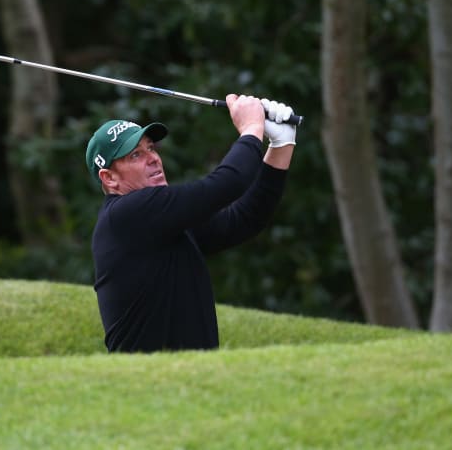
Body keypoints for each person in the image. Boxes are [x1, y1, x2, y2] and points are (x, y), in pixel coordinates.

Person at [84, 94, 296, 353]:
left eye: (151, 148)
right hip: (147, 385)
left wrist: (282, 143)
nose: (153, 158)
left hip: (190, 380)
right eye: (135, 155)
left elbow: (243, 219)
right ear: (109, 178)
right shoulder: (127, 214)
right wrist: (252, 129)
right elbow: (226, 184)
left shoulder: (162, 223)